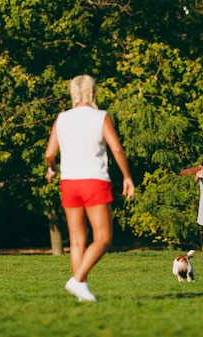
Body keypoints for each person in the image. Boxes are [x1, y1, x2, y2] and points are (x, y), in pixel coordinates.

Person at [44, 74, 135, 302]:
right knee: (103, 238)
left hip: (70, 182)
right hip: (94, 180)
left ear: (73, 94)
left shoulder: (62, 118)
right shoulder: (100, 117)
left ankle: (81, 290)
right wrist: (127, 176)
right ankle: (78, 280)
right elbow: (116, 148)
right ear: (94, 93)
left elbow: (49, 153)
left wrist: (52, 169)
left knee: (76, 240)